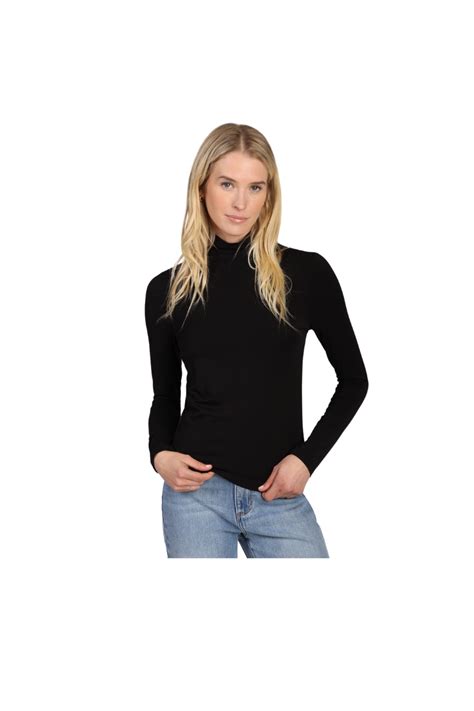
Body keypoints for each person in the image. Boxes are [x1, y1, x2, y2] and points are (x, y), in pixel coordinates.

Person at [144, 123, 369, 558]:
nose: (240, 203)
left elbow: (354, 381)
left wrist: (306, 460)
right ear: (202, 187)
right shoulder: (166, 290)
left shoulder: (306, 275)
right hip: (195, 495)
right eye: (227, 184)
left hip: (278, 496)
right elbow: (165, 394)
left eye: (255, 187)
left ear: (269, 194)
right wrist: (160, 455)